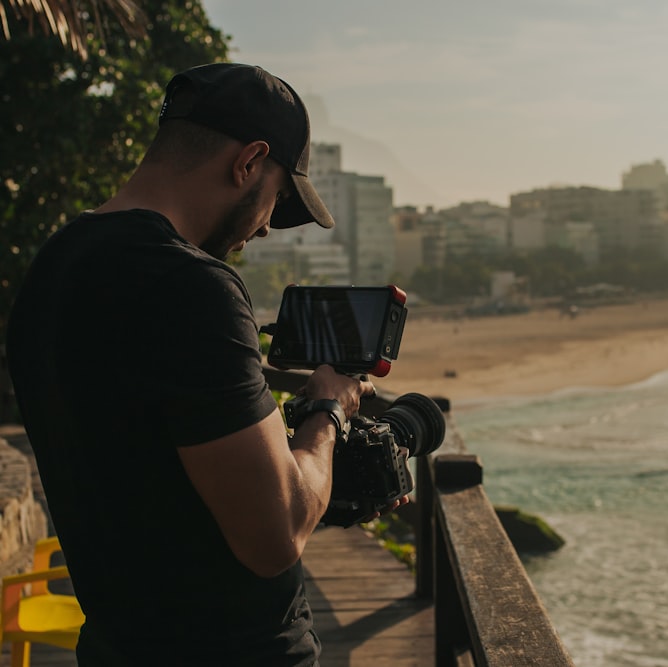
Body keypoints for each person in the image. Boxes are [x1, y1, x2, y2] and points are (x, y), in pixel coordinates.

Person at [6, 63, 382, 666]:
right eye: (278, 198)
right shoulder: (192, 286)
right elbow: (276, 535)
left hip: (118, 647)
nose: (262, 229)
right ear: (248, 162)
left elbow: (153, 458)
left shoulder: (52, 269)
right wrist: (325, 410)